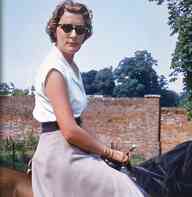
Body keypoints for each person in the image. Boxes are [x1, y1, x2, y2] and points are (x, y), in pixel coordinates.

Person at [31, 1, 145, 196]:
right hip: (61, 155)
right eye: (67, 28)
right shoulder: (54, 69)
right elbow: (69, 131)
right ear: (54, 29)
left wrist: (100, 148)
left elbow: (78, 122)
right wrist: (110, 153)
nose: (73, 35)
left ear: (86, 34)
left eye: (80, 29)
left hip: (71, 150)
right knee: (127, 189)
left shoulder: (70, 67)